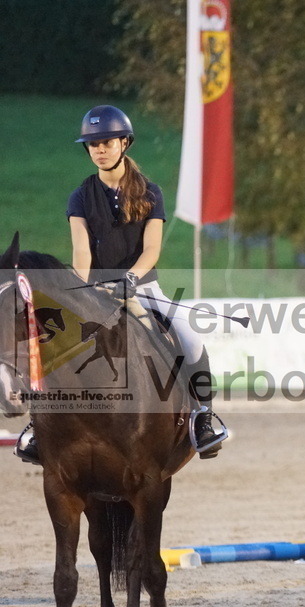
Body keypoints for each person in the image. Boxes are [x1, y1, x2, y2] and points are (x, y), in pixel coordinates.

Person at [16, 105, 227, 464]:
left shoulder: (150, 192)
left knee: (189, 338)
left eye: (106, 142)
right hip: (94, 290)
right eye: (92, 144)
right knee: (52, 344)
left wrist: (130, 279)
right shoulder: (80, 197)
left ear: (124, 142)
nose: (99, 149)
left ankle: (202, 418)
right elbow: (81, 251)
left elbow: (152, 249)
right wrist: (83, 289)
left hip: (143, 288)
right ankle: (39, 425)